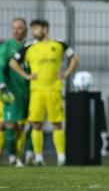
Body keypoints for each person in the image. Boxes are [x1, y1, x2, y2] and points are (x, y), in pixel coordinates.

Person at [9, 19, 79, 167]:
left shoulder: (58, 45)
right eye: (32, 29)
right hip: (37, 91)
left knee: (57, 123)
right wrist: (26, 76)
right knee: (36, 124)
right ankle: (39, 157)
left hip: (54, 90)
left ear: (45, 29)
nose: (34, 31)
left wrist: (65, 74)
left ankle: (61, 157)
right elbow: (13, 63)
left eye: (36, 28)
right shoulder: (29, 47)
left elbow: (74, 59)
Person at [0, 18, 29, 167]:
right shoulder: (7, 47)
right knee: (9, 124)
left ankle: (22, 156)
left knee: (23, 126)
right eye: (13, 28)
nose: (16, 31)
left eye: (19, 28)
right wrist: (2, 85)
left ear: (25, 30)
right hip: (10, 92)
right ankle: (11, 157)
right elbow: (0, 67)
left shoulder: (29, 47)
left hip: (26, 92)